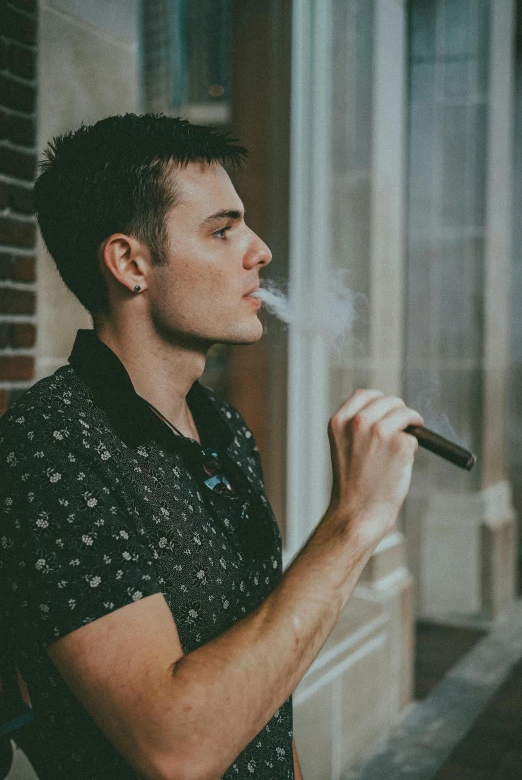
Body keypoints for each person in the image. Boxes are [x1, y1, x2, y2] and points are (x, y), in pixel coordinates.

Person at [0, 113, 423, 780]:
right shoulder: (53, 444)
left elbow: (261, 679)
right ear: (130, 263)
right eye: (222, 230)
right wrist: (352, 524)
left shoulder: (221, 426)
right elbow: (176, 748)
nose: (259, 251)